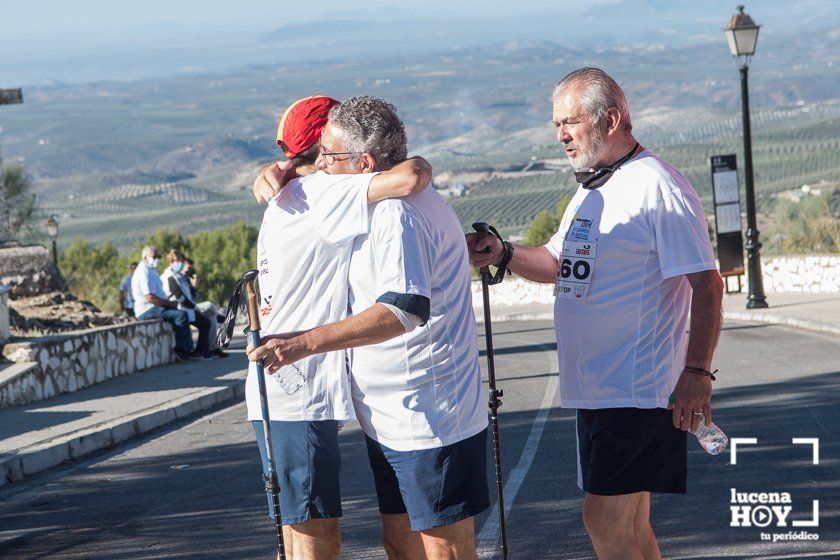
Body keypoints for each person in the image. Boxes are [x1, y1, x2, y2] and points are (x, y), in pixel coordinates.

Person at [467, 67, 724, 560]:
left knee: (604, 518)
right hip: (601, 389)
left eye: (571, 121)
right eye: (556, 124)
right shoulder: (593, 188)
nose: (561, 134)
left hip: (636, 388)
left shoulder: (658, 187)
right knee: (630, 525)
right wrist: (502, 252)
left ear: (610, 119)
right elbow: (558, 264)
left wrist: (697, 373)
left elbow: (707, 285)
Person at [250, 96, 489, 560]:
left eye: (331, 156)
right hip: (394, 415)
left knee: (436, 548)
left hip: (425, 413)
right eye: (319, 154)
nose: (324, 164)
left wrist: (301, 344)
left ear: (363, 162)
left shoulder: (390, 207)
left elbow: (404, 305)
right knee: (401, 543)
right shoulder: (352, 194)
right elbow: (413, 175)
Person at [131, 246, 195, 362]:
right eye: (155, 256)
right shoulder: (143, 272)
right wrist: (170, 304)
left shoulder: (150, 270)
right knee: (181, 315)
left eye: (159, 256)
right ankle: (181, 350)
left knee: (182, 314)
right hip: (147, 309)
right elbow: (150, 298)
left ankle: (189, 350)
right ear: (145, 257)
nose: (157, 259)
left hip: (154, 306)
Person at [161, 250, 214, 360]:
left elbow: (190, 295)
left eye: (181, 260)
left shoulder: (179, 276)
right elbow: (179, 296)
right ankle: (194, 351)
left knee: (206, 323)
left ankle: (202, 351)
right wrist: (195, 307)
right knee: (205, 322)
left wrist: (195, 287)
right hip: (179, 308)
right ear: (171, 262)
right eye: (178, 260)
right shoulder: (169, 275)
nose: (180, 262)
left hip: (187, 308)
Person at [181, 257, 227, 357]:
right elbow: (186, 301)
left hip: (192, 307)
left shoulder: (187, 279)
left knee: (212, 317)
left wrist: (195, 287)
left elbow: (193, 298)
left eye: (191, 268)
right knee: (209, 305)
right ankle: (221, 317)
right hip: (186, 308)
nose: (190, 270)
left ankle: (212, 348)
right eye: (188, 267)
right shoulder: (179, 278)